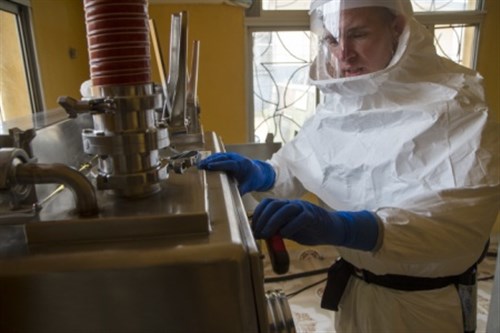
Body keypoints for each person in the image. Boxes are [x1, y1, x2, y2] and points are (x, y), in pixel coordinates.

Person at [198, 0, 500, 331]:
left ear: (397, 28)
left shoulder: (458, 104)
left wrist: (350, 228)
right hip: (357, 289)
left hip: (425, 307)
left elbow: (458, 222)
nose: (343, 55)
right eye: (331, 39)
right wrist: (265, 173)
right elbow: (306, 160)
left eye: (358, 34)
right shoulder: (348, 98)